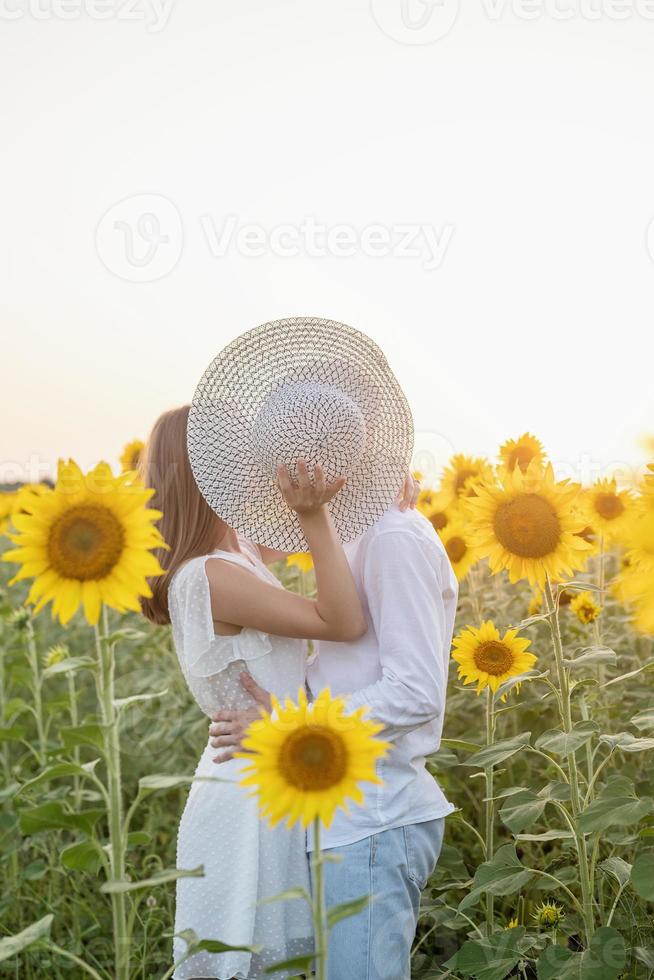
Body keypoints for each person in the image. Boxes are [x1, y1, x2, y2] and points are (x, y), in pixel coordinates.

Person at [205, 317, 458, 980]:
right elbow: (354, 664)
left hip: (377, 819)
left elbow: (414, 693)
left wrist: (292, 729)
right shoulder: (353, 535)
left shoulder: (393, 540)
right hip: (349, 819)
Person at [140, 404, 369, 980]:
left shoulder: (236, 555)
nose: (256, 466)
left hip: (268, 773)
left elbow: (301, 523)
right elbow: (342, 621)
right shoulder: (210, 577)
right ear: (205, 473)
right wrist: (315, 518)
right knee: (246, 964)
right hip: (248, 795)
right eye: (238, 456)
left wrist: (378, 489)